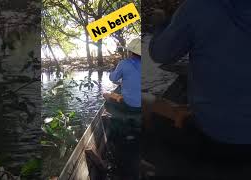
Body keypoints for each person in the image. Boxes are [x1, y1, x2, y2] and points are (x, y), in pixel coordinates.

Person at [148, 0, 251, 162]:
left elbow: (160, 54)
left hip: (214, 129)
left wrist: (161, 24)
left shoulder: (198, 7)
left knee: (154, 118)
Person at [103, 38, 141, 180]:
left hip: (128, 106)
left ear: (130, 52)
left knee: (106, 95)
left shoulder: (124, 63)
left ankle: (118, 125)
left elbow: (113, 78)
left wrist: (117, 70)